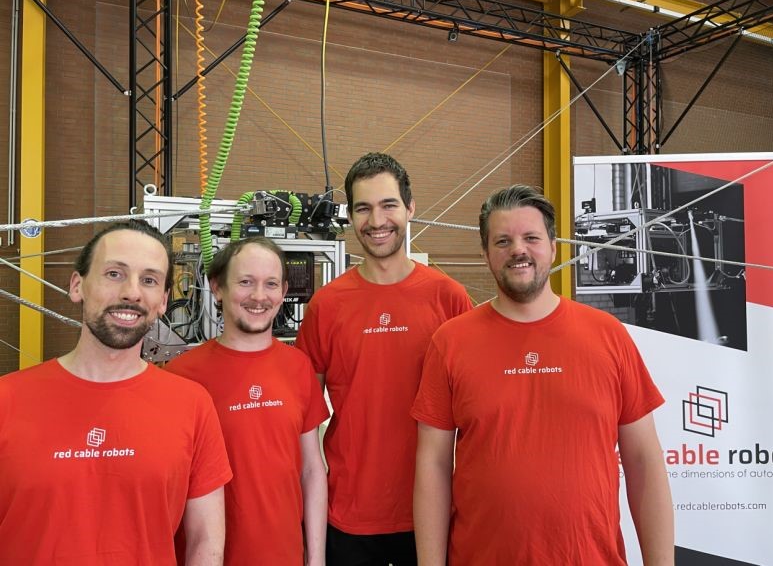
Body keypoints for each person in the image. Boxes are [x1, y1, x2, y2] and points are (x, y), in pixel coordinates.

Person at [412, 184, 674, 565]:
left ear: (552, 246)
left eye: (531, 237)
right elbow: (433, 466)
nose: (518, 249)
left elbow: (644, 461)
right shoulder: (450, 342)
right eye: (503, 240)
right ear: (485, 254)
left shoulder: (607, 335)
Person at [0, 220, 232, 565]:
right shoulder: (7, 399)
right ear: (78, 285)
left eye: (149, 280)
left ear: (163, 301)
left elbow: (205, 543)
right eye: (114, 274)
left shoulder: (192, 405)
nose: (132, 293)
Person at [295, 152, 472, 565]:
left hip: (433, 516)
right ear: (351, 216)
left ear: (410, 207)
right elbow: (298, 418)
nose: (377, 221)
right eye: (363, 208)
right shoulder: (327, 306)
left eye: (388, 205)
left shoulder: (449, 298)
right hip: (348, 519)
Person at [166, 237, 329, 565]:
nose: (258, 296)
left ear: (283, 292)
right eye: (245, 282)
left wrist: (316, 559)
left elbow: (312, 470)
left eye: (270, 284)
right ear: (217, 288)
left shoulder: (297, 367)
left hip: (286, 556)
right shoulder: (181, 376)